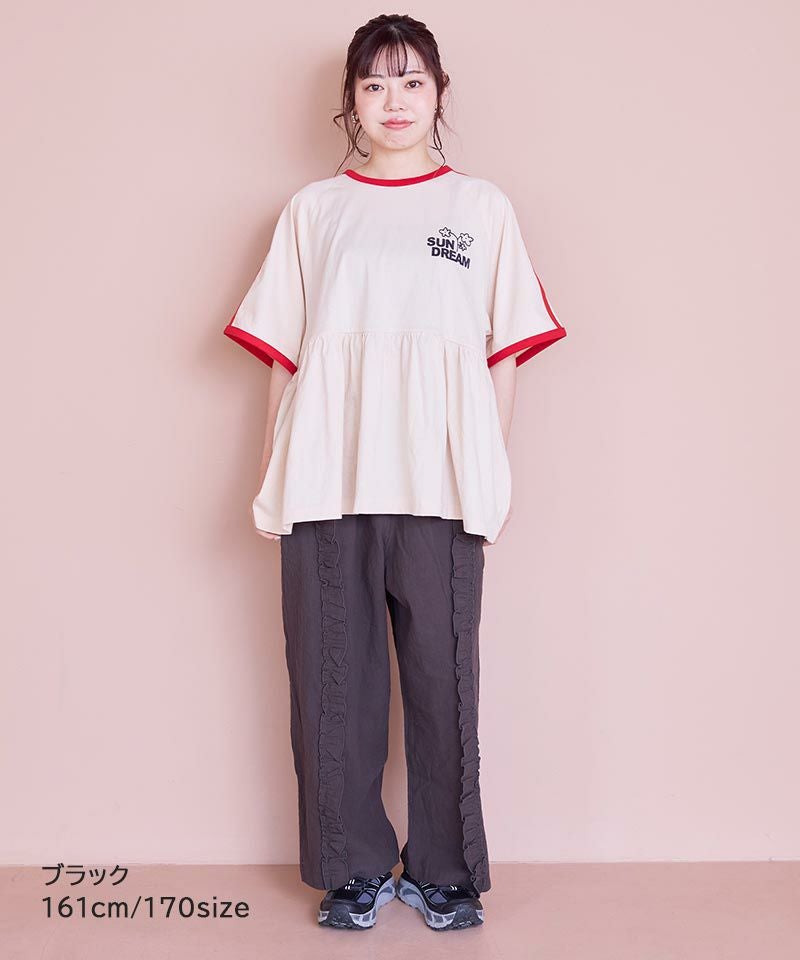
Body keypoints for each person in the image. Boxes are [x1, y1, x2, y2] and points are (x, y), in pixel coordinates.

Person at [224, 14, 567, 932]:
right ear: (351, 101)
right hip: (327, 482)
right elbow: (284, 358)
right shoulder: (314, 211)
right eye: (374, 84)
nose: (394, 100)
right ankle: (352, 870)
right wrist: (274, 471)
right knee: (333, 680)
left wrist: (489, 469)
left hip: (440, 483)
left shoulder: (481, 209)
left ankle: (447, 871)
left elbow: (503, 354)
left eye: (412, 81)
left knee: (444, 678)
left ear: (440, 93)